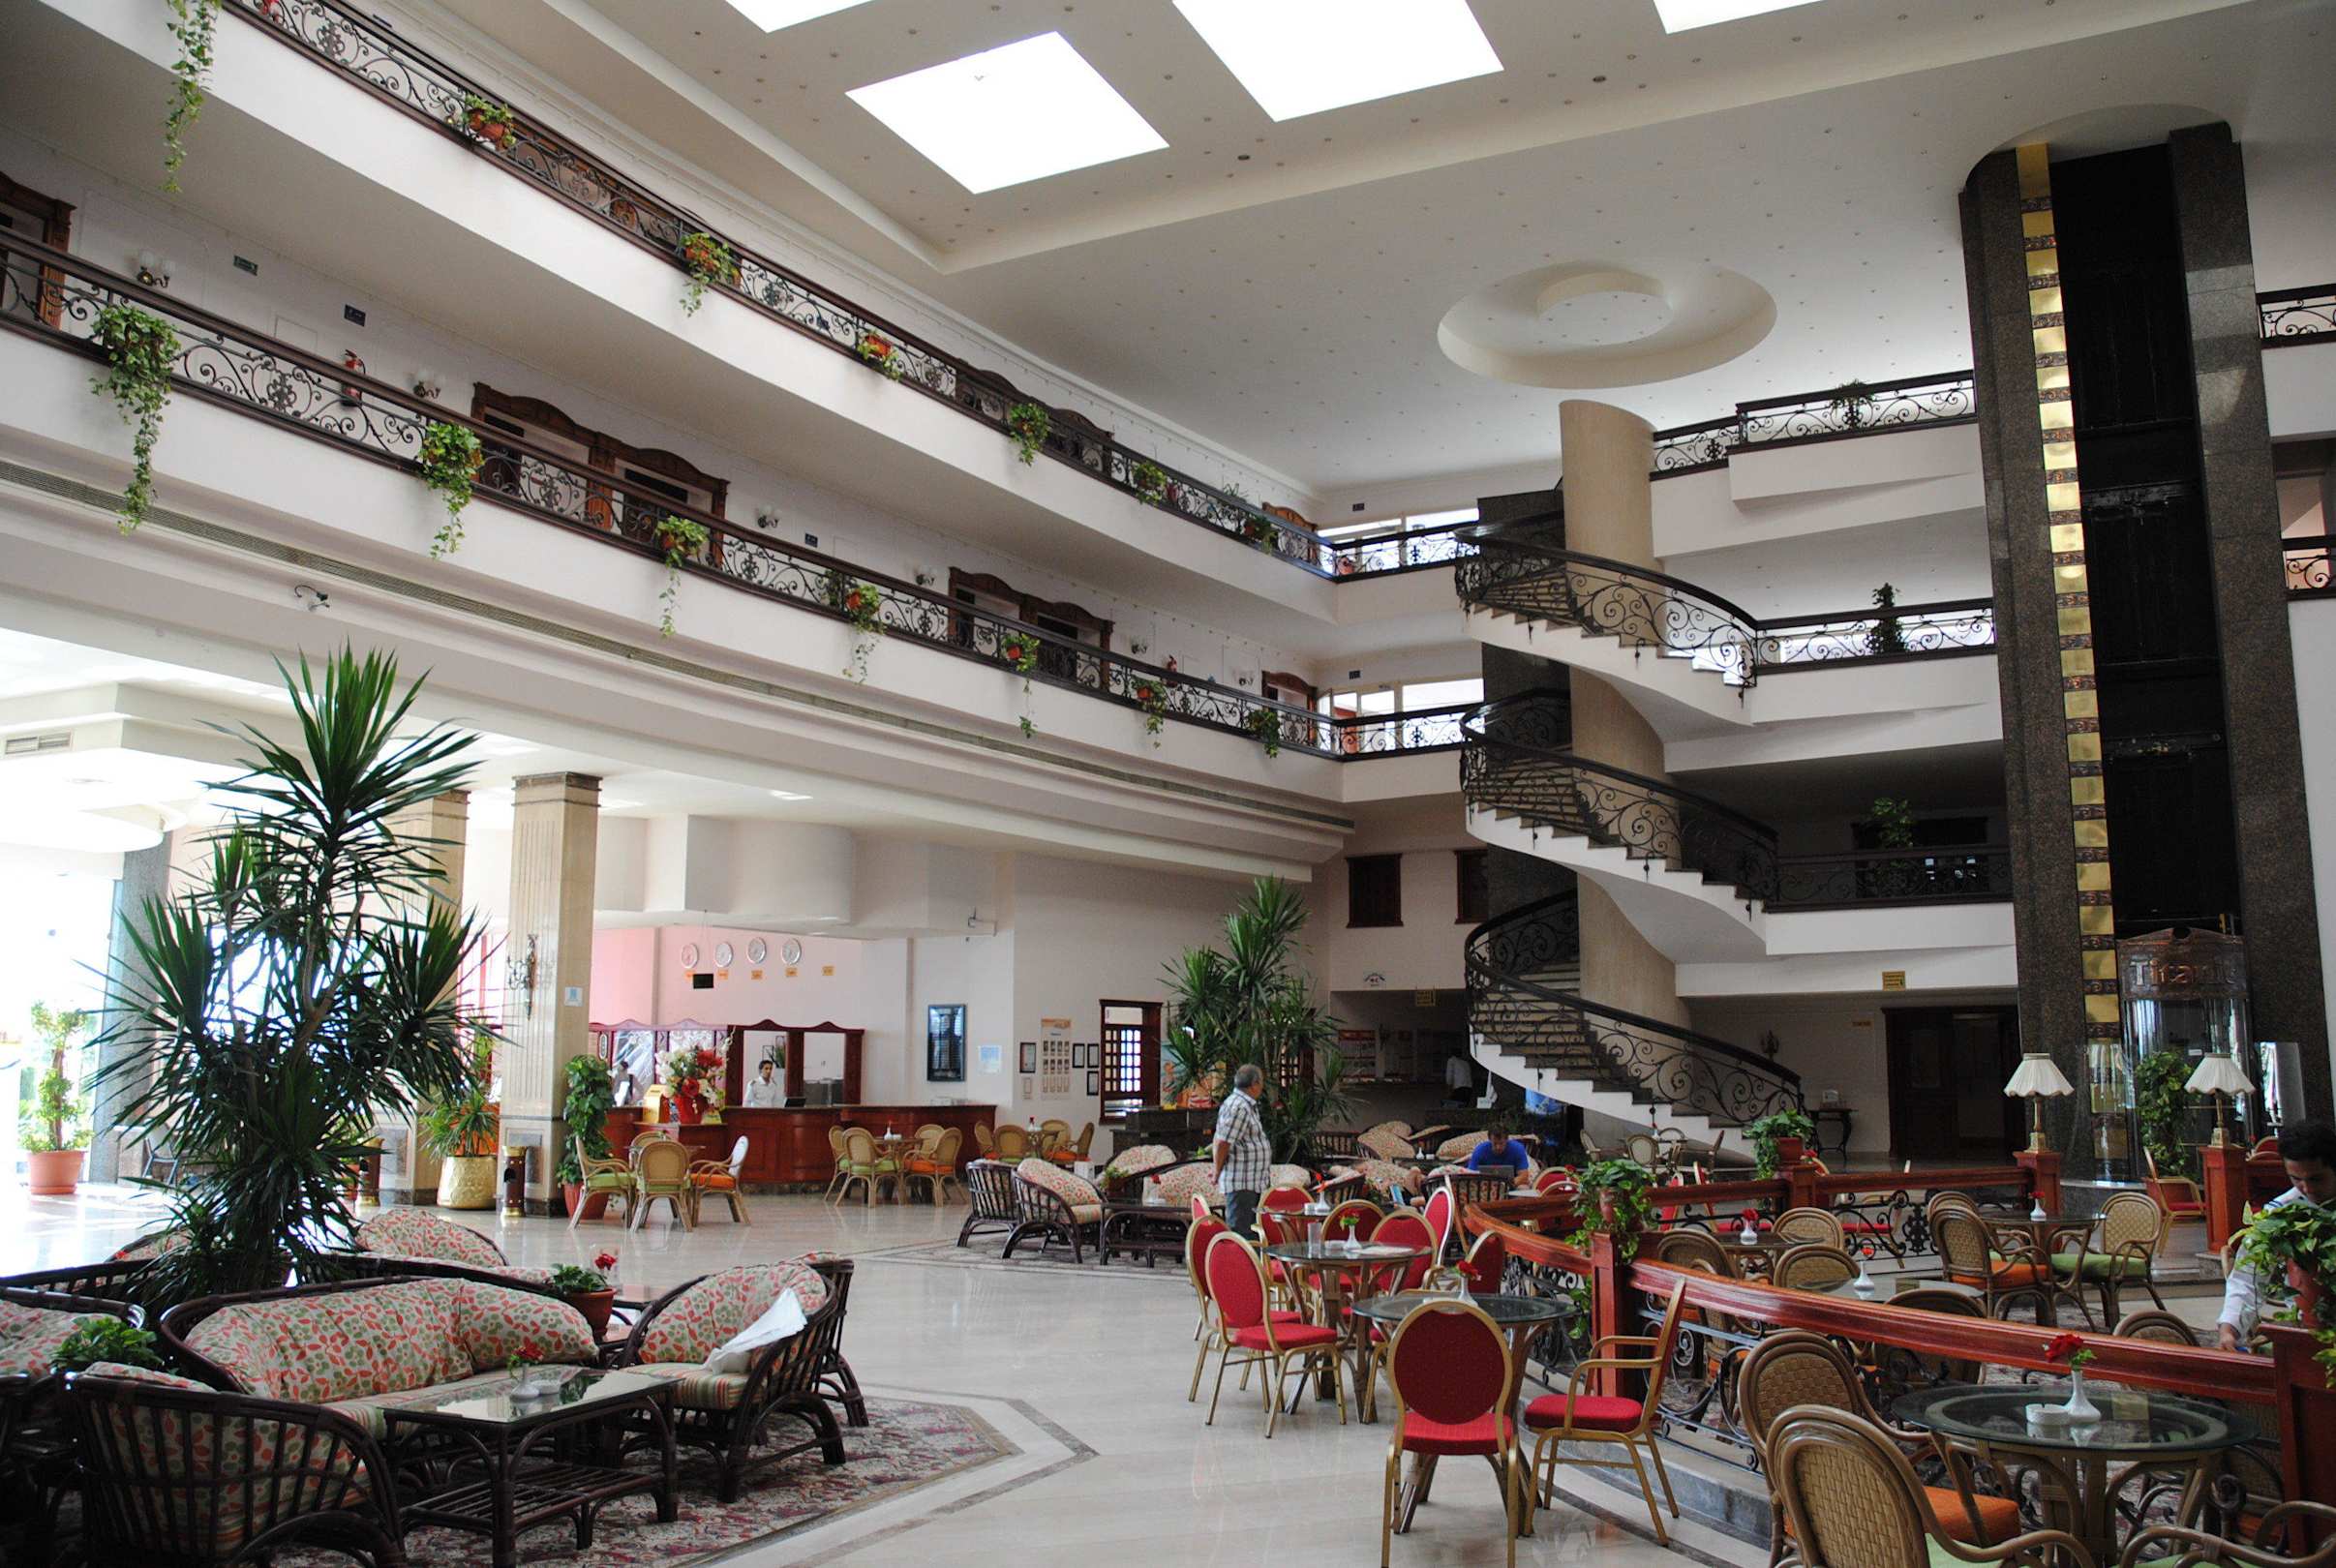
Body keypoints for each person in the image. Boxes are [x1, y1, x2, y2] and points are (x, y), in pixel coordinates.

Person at [2217, 1118, 2335, 1352]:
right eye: (2296, 1179)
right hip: (2308, 1328)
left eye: (2316, 1179)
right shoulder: (2280, 1214)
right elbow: (2248, 1277)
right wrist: (2229, 1329)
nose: (2307, 1188)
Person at [1212, 1063, 1273, 1239]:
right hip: (1242, 1182)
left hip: (1251, 1181)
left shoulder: (1245, 1105)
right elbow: (1223, 1142)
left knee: (1252, 1234)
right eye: (1261, 1082)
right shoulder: (1239, 1106)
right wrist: (1217, 1171)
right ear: (1254, 1084)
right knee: (1242, 1235)